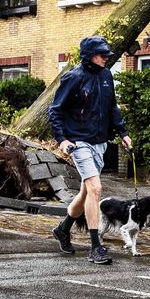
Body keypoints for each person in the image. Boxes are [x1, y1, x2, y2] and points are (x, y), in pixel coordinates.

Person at [48, 35, 132, 265]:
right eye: (101, 54)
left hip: (99, 141)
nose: (106, 58)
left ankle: (63, 229)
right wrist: (62, 139)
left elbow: (111, 107)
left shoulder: (106, 76)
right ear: (88, 56)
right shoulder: (74, 77)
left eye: (107, 54)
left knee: (86, 192)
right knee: (96, 188)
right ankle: (95, 247)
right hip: (78, 141)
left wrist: (123, 133)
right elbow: (55, 110)